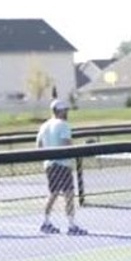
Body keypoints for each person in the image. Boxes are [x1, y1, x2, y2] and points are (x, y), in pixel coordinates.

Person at [36, 100, 87, 235]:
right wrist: (78, 149)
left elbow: (39, 146)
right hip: (63, 164)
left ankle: (45, 222)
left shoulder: (44, 126)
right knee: (69, 194)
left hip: (49, 165)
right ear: (60, 111)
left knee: (53, 194)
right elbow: (66, 144)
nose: (67, 113)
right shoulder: (64, 125)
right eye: (65, 110)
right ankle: (71, 225)